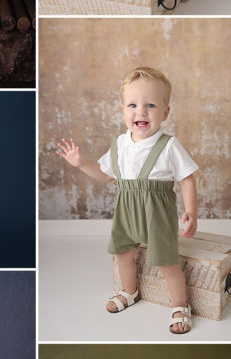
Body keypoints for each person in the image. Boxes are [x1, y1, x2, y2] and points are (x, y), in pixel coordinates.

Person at [57, 66, 198, 333]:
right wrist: (81, 163)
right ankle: (129, 291)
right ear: (122, 110)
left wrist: (191, 210)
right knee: (123, 253)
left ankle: (180, 305)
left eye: (150, 105)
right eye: (132, 105)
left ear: (165, 112)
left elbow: (187, 178)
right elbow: (105, 176)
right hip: (126, 210)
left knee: (167, 262)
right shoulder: (120, 145)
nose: (141, 112)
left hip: (157, 214)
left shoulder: (169, 145)